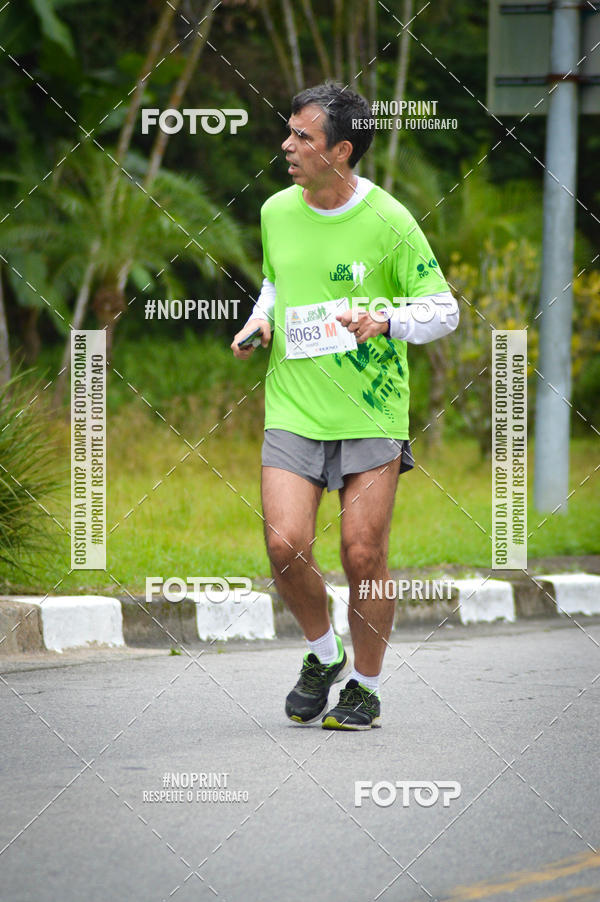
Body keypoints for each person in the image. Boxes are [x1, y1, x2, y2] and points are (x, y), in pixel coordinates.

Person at [231, 82, 458, 730]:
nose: (288, 145)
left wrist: (384, 320)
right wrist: (259, 321)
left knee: (364, 554)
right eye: (290, 131)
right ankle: (323, 653)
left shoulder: (389, 220)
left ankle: (365, 683)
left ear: (341, 150)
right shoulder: (276, 210)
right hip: (295, 404)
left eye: (303, 136)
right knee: (284, 543)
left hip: (370, 408)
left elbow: (444, 310)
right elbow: (278, 280)